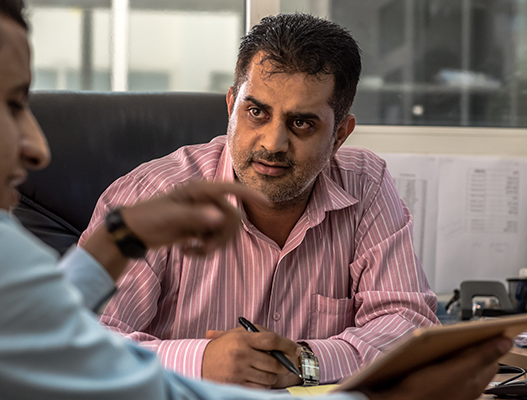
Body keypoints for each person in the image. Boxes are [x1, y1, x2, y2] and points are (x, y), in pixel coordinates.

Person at [0, 1, 510, 399]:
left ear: (340, 134)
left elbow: (30, 325)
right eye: (14, 103)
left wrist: (114, 244)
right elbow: (98, 369)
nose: (38, 147)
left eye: (304, 122)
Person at [80, 13, 440, 388]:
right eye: (256, 113)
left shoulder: (365, 184)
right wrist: (200, 362)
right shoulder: (149, 197)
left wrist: (303, 361)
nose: (273, 143)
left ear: (339, 136)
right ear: (231, 106)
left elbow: (408, 323)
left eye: (301, 123)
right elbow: (80, 343)